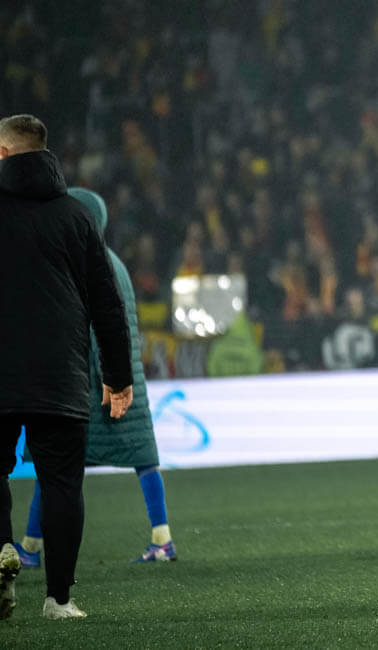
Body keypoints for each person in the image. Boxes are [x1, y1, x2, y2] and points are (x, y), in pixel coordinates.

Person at [0, 114, 133, 621]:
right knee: (61, 483)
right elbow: (108, 304)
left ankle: (1, 548)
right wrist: (117, 376)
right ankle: (58, 599)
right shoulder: (77, 216)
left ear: (4, 154)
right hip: (61, 372)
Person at [15, 188, 176, 571]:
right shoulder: (114, 262)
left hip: (95, 385)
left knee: (54, 462)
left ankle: (32, 547)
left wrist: (102, 381)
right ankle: (162, 539)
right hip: (125, 381)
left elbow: (91, 332)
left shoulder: (82, 264)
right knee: (144, 459)